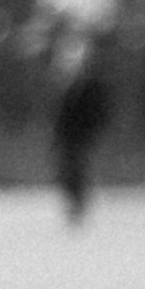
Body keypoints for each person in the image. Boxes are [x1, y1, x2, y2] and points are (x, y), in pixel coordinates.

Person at [51, 44, 111, 225]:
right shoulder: (69, 89)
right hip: (69, 138)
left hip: (83, 137)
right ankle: (74, 205)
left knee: (79, 171)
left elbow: (99, 112)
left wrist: (93, 131)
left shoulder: (93, 88)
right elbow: (62, 116)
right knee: (68, 172)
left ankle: (79, 206)